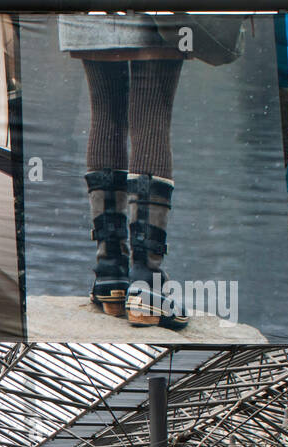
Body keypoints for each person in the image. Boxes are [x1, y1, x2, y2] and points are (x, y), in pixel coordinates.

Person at [59, 13, 196, 329]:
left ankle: (110, 273)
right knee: (152, 114)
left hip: (88, 12)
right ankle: (145, 281)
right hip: (153, 15)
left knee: (105, 109)